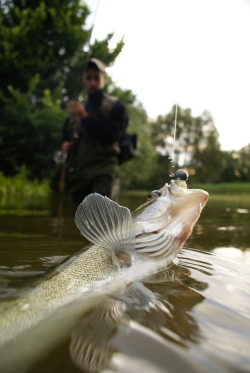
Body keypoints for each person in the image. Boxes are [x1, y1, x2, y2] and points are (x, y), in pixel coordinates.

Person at [61, 58, 129, 203]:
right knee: (79, 220)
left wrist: (85, 117)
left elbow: (112, 134)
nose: (92, 82)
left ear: (104, 79)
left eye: (96, 77)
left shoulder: (115, 106)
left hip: (104, 171)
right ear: (84, 80)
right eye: (88, 77)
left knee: (103, 218)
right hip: (80, 173)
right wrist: (66, 146)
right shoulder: (77, 111)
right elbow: (67, 135)